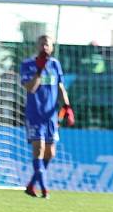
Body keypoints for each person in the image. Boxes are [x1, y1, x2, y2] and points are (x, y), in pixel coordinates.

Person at [20, 35, 74, 199]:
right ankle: (44, 189)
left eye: (47, 44)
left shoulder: (55, 64)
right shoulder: (28, 64)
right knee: (39, 150)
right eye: (42, 43)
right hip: (34, 114)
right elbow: (30, 88)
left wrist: (67, 106)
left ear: (51, 47)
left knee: (50, 153)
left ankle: (31, 185)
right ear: (37, 46)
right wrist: (39, 70)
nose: (44, 46)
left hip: (50, 116)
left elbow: (60, 87)